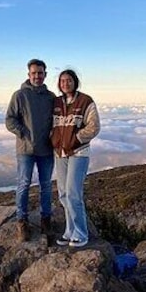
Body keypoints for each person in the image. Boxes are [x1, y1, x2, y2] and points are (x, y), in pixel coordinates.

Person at [5, 58, 56, 241]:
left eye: (40, 73)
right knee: (24, 184)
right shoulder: (19, 95)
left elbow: (57, 120)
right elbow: (10, 119)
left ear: (45, 75)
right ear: (29, 75)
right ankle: (22, 221)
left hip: (46, 149)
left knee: (46, 186)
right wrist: (24, 133)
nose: (37, 76)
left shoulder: (51, 98)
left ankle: (46, 220)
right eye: (34, 73)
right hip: (25, 149)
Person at [50, 68, 100, 248]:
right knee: (63, 194)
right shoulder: (56, 102)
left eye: (68, 80)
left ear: (75, 81)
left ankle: (81, 233)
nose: (65, 84)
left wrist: (75, 139)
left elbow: (94, 126)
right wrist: (53, 139)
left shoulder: (85, 101)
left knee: (73, 193)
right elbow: (51, 124)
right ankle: (69, 231)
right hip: (60, 153)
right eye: (62, 81)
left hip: (79, 153)